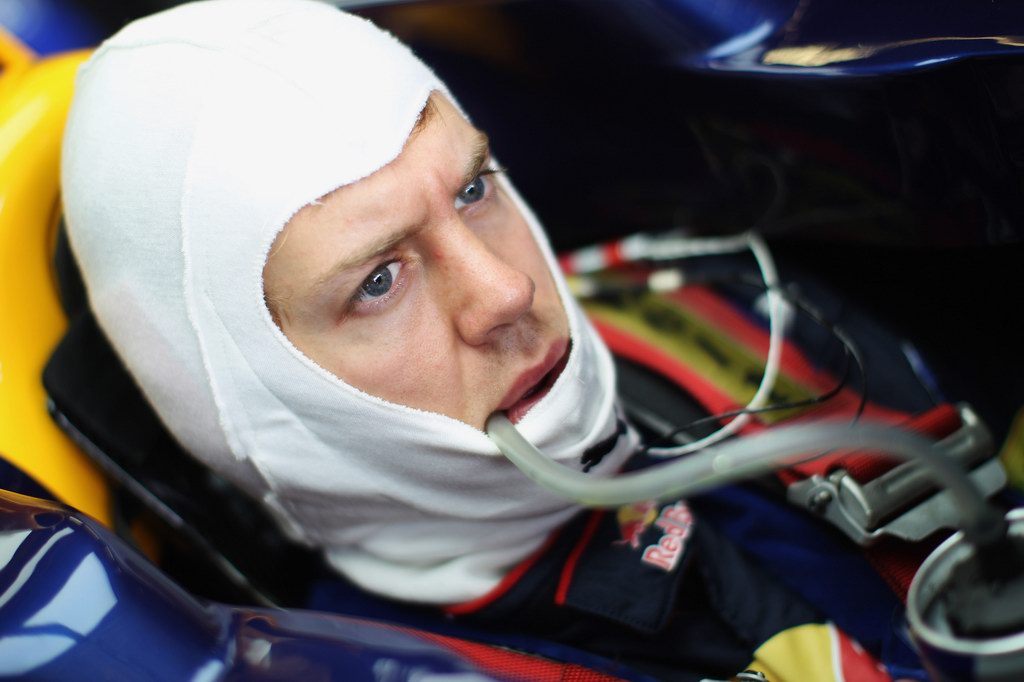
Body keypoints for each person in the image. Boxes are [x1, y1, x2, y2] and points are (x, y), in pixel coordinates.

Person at [61, 1, 937, 679]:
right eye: (378, 280)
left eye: (474, 189)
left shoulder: (750, 316)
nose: (506, 290)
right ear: (239, 394)